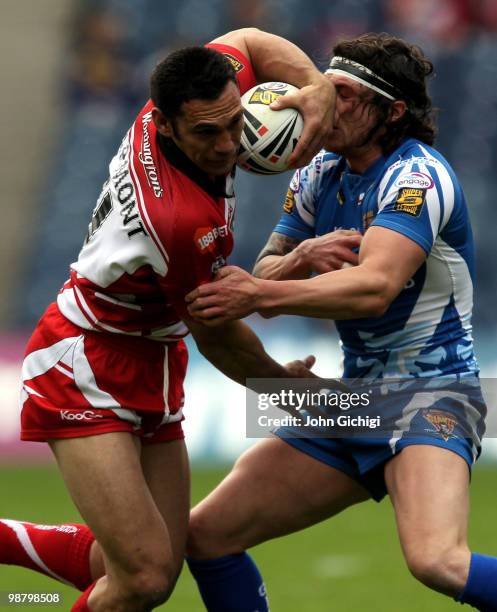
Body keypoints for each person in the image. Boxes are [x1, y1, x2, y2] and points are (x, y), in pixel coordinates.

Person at [0, 29, 335, 612]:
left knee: (143, 559)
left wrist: (315, 86)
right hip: (86, 361)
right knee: (145, 580)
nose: (230, 145)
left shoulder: (189, 101)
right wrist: (296, 391)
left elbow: (251, 42)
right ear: (165, 127)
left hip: (153, 354)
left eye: (236, 123)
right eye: (208, 133)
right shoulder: (177, 220)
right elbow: (220, 337)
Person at [184, 33, 496, 611]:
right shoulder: (316, 173)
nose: (321, 102)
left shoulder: (418, 178)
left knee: (436, 561)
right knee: (205, 538)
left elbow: (374, 287)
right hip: (355, 399)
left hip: (433, 395)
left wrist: (262, 295)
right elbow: (268, 267)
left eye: (343, 94)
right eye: (321, 88)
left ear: (391, 111)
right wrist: (295, 264)